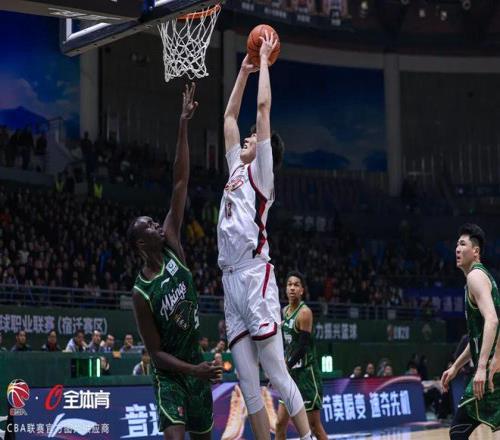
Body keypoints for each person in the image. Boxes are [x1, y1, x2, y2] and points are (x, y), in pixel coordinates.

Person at [217, 32, 312, 440]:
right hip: (230, 280)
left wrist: (266, 62)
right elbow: (228, 119)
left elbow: (261, 109)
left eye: (254, 138)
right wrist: (243, 71)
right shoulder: (236, 170)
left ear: (266, 149)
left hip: (255, 277)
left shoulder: (262, 174)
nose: (248, 137)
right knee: (247, 382)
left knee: (275, 372)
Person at [128, 83, 222, 440]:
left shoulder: (172, 245)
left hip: (196, 363)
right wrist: (193, 371)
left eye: (156, 222)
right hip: (171, 376)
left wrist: (183, 123)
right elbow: (155, 353)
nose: (158, 225)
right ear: (141, 243)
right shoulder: (141, 292)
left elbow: (180, 181)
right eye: (151, 226)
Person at [441, 224, 500, 438]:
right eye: (456, 244)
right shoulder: (482, 278)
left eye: (462, 244)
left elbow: (492, 320)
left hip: (492, 372)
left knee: (458, 431)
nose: (457, 249)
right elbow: (478, 337)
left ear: (475, 251)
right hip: (493, 368)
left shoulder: (475, 277)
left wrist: (481, 368)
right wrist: (456, 367)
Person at [276, 271, 327, 440]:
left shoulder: (304, 313)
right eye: (289, 284)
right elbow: (287, 345)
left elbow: (303, 347)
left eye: (296, 285)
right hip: (290, 375)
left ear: (302, 290)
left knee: (314, 427)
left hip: (306, 375)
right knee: (279, 424)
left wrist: (285, 367)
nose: (292, 288)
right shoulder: (284, 311)